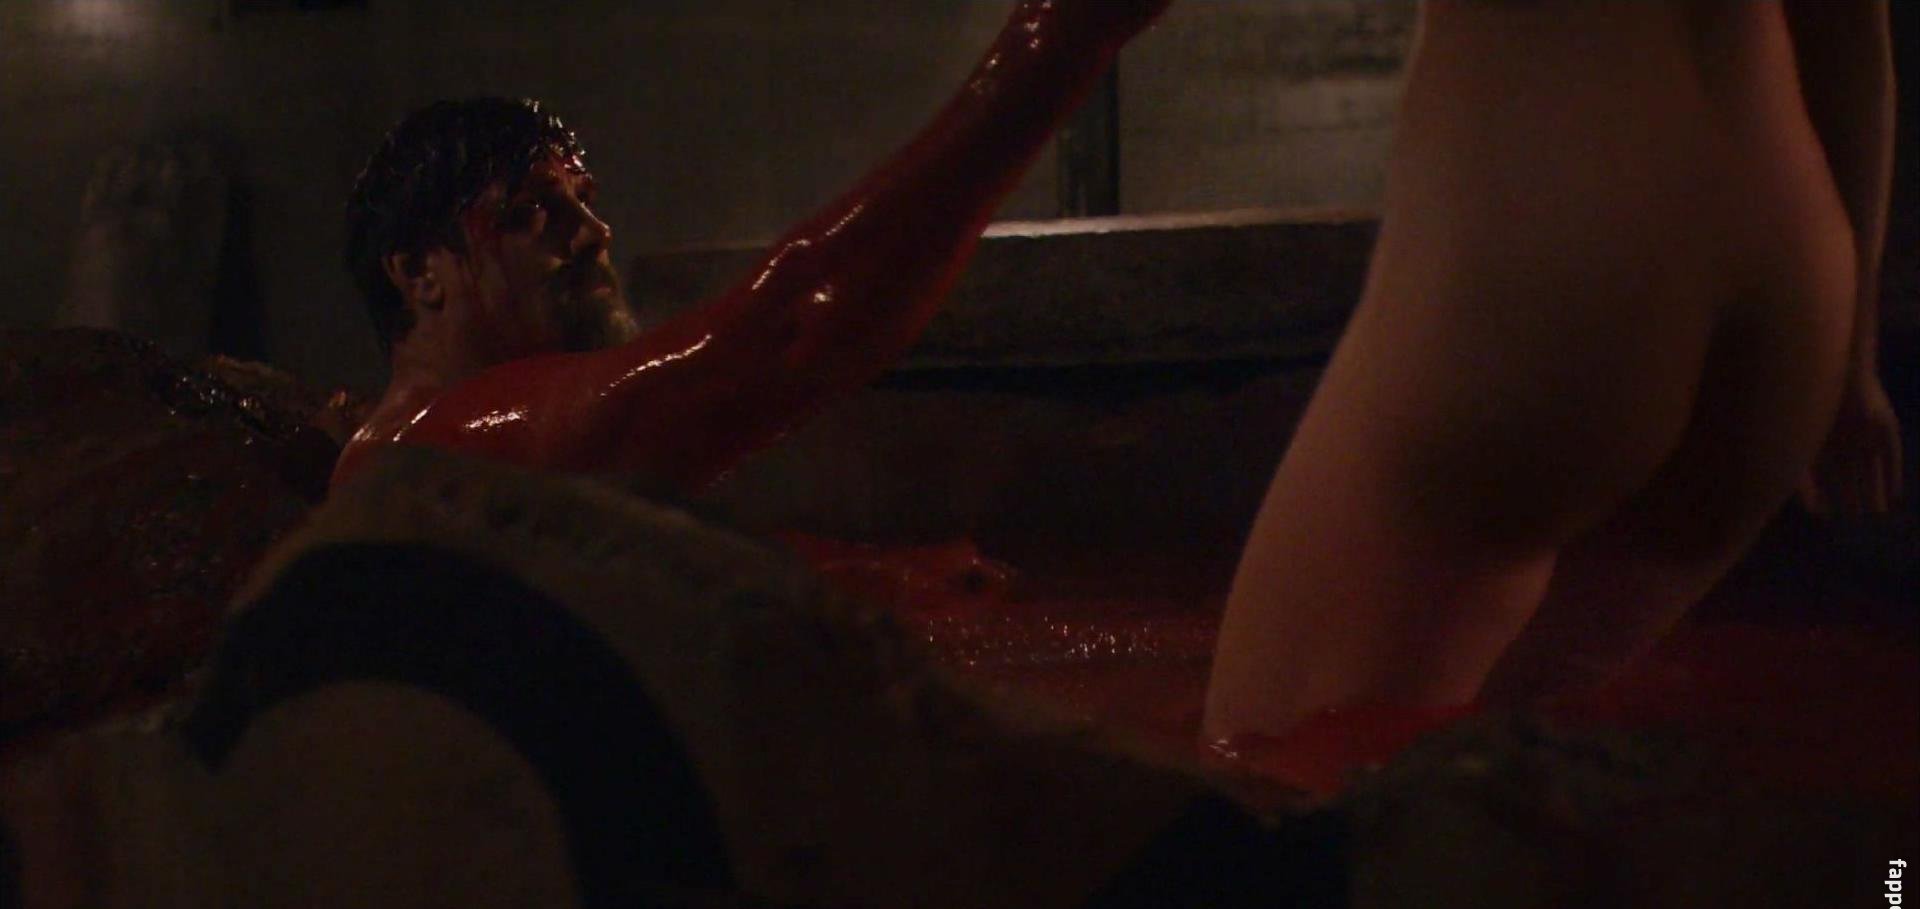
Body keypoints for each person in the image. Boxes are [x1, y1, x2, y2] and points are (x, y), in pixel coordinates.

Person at [1205, 0, 1904, 758]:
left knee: (1269, 761)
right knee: (1517, 768)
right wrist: (1853, 361)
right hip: (1791, 277)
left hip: (1559, 232)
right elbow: (1848, 25)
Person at [333, 0, 1172, 493]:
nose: (593, 232)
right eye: (530, 214)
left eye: (583, 203)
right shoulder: (435, 453)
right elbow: (791, 332)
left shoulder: (461, 471)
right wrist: (1057, 40)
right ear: (420, 273)